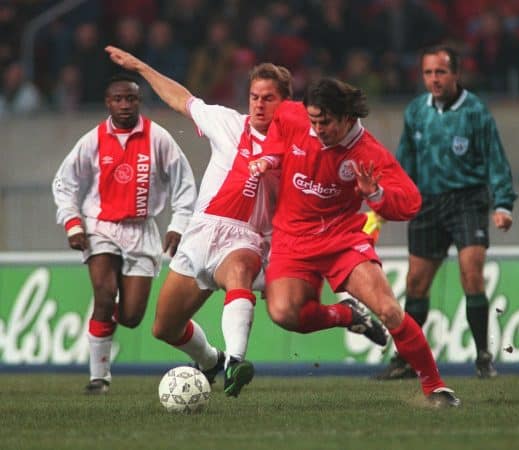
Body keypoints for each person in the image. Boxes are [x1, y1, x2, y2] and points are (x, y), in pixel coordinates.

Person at [105, 46, 386, 397]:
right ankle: (211, 360)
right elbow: (183, 99)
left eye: (268, 98)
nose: (258, 105)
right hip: (202, 232)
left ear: (287, 104)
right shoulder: (228, 123)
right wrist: (140, 66)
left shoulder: (306, 144)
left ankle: (236, 361)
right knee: (165, 327)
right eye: (254, 96)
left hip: (255, 239)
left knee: (260, 287)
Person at [250, 77, 461, 407]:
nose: (318, 128)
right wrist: (272, 156)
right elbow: (278, 121)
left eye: (326, 122)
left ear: (347, 117)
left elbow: (410, 202)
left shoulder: (367, 153)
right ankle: (347, 315)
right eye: (314, 120)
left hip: (342, 240)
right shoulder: (294, 116)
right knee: (284, 314)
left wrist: (375, 194)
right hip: (292, 238)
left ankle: (435, 386)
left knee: (390, 310)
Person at [378, 45, 517, 381]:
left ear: (456, 74)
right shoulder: (415, 112)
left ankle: (483, 356)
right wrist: (388, 201)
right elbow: (403, 164)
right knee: (416, 283)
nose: (434, 79)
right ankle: (407, 359)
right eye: (428, 73)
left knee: (472, 273)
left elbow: (495, 159)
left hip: (467, 201)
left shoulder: (476, 112)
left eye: (440, 72)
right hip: (427, 204)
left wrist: (502, 204)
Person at [52, 73, 197, 394]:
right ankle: (98, 377)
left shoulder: (158, 138)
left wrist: (178, 225)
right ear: (108, 103)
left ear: (139, 102)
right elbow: (64, 182)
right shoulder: (92, 139)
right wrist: (72, 223)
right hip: (100, 227)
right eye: (118, 99)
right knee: (104, 296)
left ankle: (102, 327)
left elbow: (184, 183)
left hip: (141, 231)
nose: (125, 105)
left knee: (131, 317)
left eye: (131, 99)